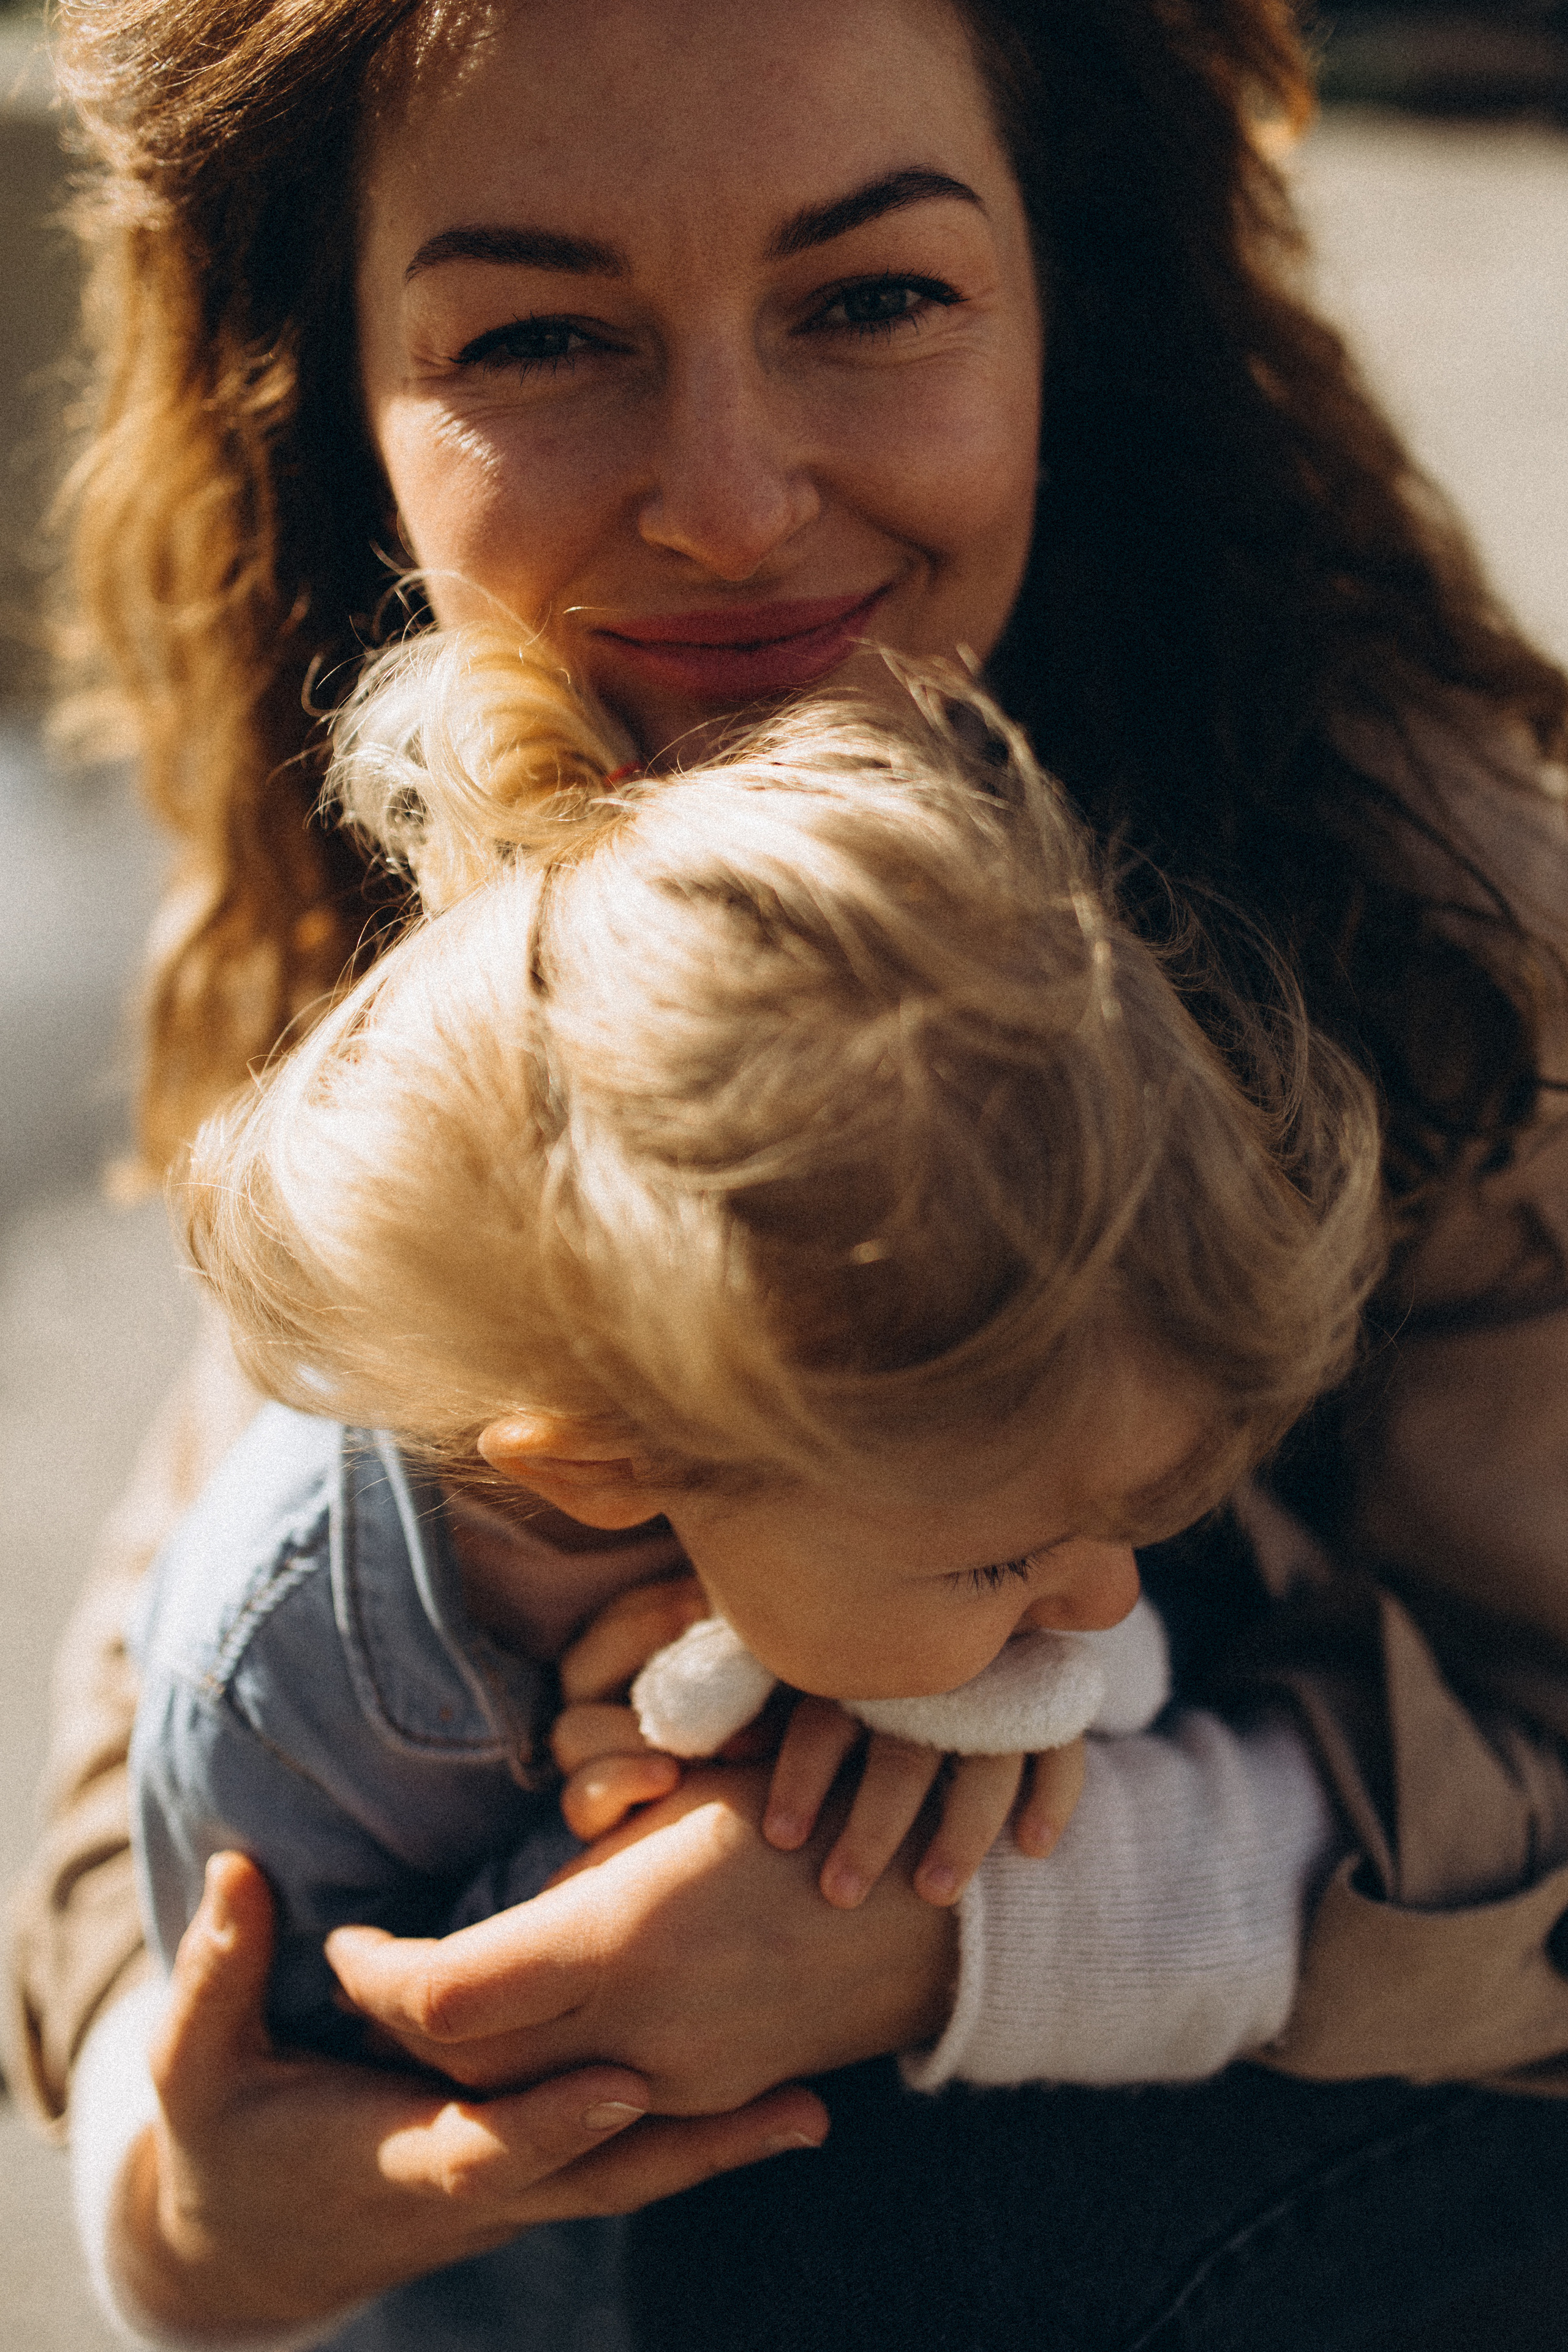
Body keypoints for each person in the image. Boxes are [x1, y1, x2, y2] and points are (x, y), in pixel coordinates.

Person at [10, 0, 1568, 2345]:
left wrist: (950, 1935)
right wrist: (180, 2164)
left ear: (1071, 288)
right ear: (332, 385)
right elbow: (222, 1571)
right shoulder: (466, 807)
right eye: (540, 337)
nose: (729, 502)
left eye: (869, 299)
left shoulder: (1450, 939)